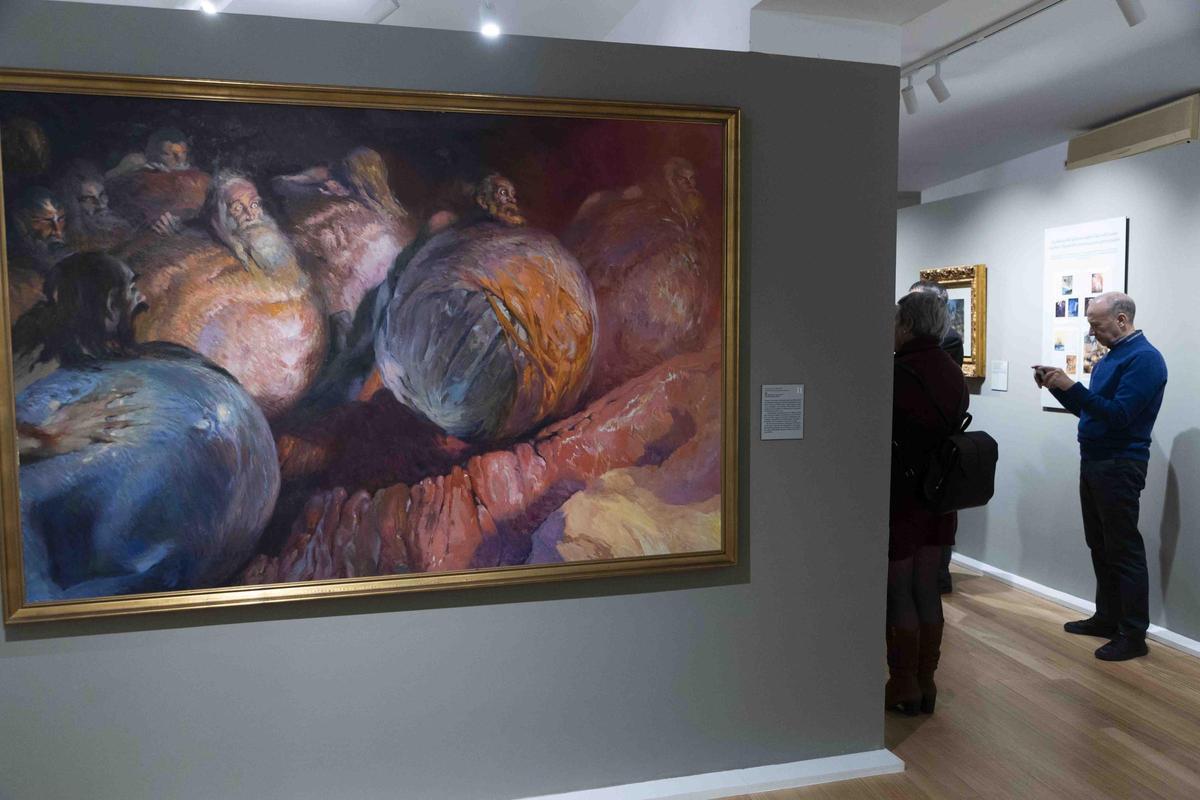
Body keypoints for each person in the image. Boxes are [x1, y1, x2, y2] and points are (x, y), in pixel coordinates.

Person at [1034, 291, 1167, 661]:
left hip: (1120, 464)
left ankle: (1133, 634)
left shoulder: (1145, 359)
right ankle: (1108, 618)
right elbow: (1093, 412)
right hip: (1095, 460)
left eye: (1096, 324)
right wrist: (1058, 386)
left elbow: (1120, 416)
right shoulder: (1111, 359)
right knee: (1100, 544)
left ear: (1122, 320)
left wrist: (1071, 386)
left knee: (1123, 549)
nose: (1092, 332)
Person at [888, 291, 968, 715]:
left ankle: (903, 684)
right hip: (940, 495)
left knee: (898, 589)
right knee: (926, 587)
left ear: (906, 324)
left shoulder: (898, 372)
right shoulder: (952, 371)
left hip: (902, 494)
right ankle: (927, 683)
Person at [909, 279, 963, 594]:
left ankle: (937, 576)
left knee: (938, 517)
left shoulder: (948, 340)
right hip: (919, 446)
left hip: (936, 447)